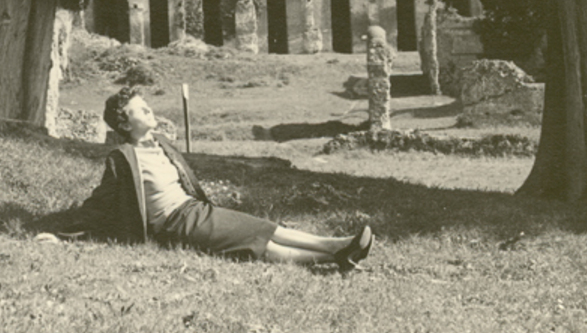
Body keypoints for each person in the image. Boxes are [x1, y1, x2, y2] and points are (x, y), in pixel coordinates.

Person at [68, 87, 373, 272]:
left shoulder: (161, 143)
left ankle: (337, 246)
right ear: (125, 123)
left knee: (262, 228)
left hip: (196, 211)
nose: (149, 110)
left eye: (147, 105)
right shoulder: (122, 156)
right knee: (254, 243)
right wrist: (61, 233)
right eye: (140, 109)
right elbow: (100, 203)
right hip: (175, 224)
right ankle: (336, 254)